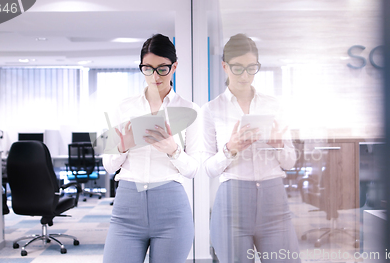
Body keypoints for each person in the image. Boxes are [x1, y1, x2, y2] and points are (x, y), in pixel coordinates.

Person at [201, 33, 301, 262]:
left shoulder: (274, 105)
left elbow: (290, 161)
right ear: (225, 67)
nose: (245, 75)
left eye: (251, 68)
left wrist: (277, 146)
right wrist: (230, 149)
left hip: (274, 201)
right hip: (232, 206)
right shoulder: (211, 109)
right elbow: (208, 168)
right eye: (238, 68)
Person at [102, 34, 199, 263]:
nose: (155, 76)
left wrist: (172, 149)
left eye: (162, 69)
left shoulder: (189, 109)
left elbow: (193, 169)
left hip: (171, 212)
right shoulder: (125, 107)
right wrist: (123, 145)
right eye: (147, 68)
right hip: (127, 209)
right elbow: (108, 166)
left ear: (174, 66)